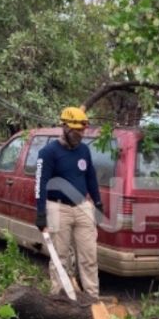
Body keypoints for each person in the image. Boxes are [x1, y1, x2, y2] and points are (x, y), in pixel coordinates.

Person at [34, 106, 104, 300]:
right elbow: (40, 183)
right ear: (64, 127)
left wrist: (98, 203)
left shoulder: (84, 150)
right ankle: (59, 299)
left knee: (89, 256)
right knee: (60, 258)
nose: (80, 135)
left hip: (83, 207)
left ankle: (92, 299)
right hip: (57, 208)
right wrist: (40, 213)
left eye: (82, 131)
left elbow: (91, 177)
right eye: (76, 131)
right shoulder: (48, 152)